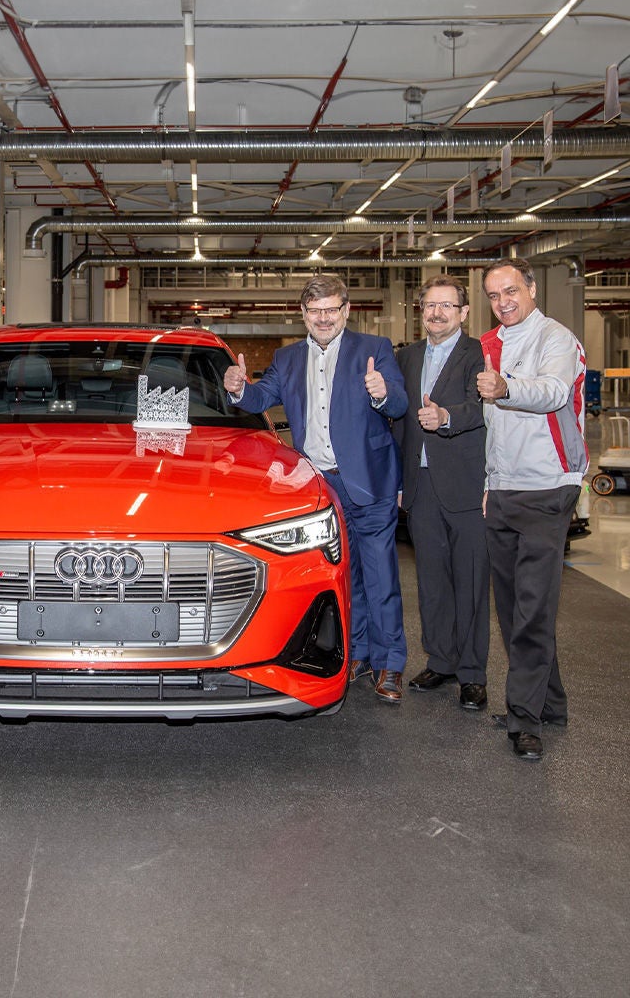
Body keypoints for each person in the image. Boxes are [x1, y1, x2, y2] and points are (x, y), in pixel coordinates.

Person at [223, 275, 410, 702]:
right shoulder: (287, 358)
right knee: (344, 577)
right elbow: (259, 398)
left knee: (381, 576)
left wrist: (382, 394)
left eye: (331, 309)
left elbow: (399, 404)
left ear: (346, 310)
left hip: (369, 481)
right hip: (320, 488)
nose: (323, 318)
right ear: (303, 314)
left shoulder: (374, 350)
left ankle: (390, 664)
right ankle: (359, 652)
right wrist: (238, 389)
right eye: (315, 311)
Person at [476, 258, 587, 761]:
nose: (504, 302)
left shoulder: (556, 339)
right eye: (495, 295)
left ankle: (524, 718)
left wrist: (507, 388)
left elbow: (554, 392)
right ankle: (550, 705)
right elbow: (491, 429)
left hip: (548, 488)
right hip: (502, 490)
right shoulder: (488, 343)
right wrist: (488, 482)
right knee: (514, 607)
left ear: (532, 289)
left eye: (511, 291)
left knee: (533, 610)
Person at [395, 276, 489, 711]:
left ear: (464, 312)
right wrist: (398, 481)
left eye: (447, 306)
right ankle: (441, 660)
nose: (437, 313)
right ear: (421, 311)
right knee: (431, 580)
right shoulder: (408, 357)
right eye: (430, 305)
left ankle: (472, 672)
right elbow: (398, 422)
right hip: (421, 485)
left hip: (467, 483)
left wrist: (446, 416)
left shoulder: (480, 353)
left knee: (469, 581)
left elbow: (480, 406)